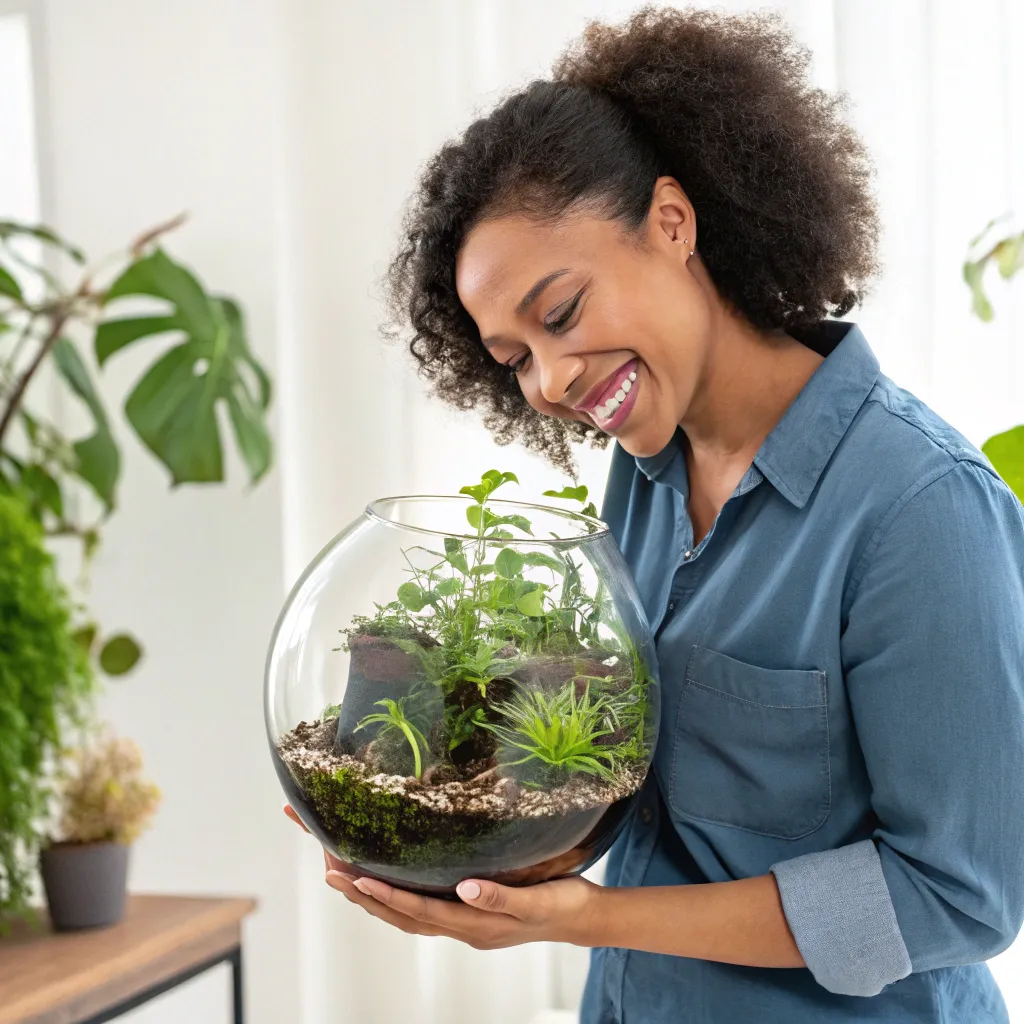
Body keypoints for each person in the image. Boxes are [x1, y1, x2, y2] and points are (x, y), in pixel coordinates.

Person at [285, 7, 1024, 1021]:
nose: (546, 380)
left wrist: (584, 918)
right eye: (514, 359)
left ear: (671, 223)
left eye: (560, 314)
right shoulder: (647, 473)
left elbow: (959, 893)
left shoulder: (918, 508)